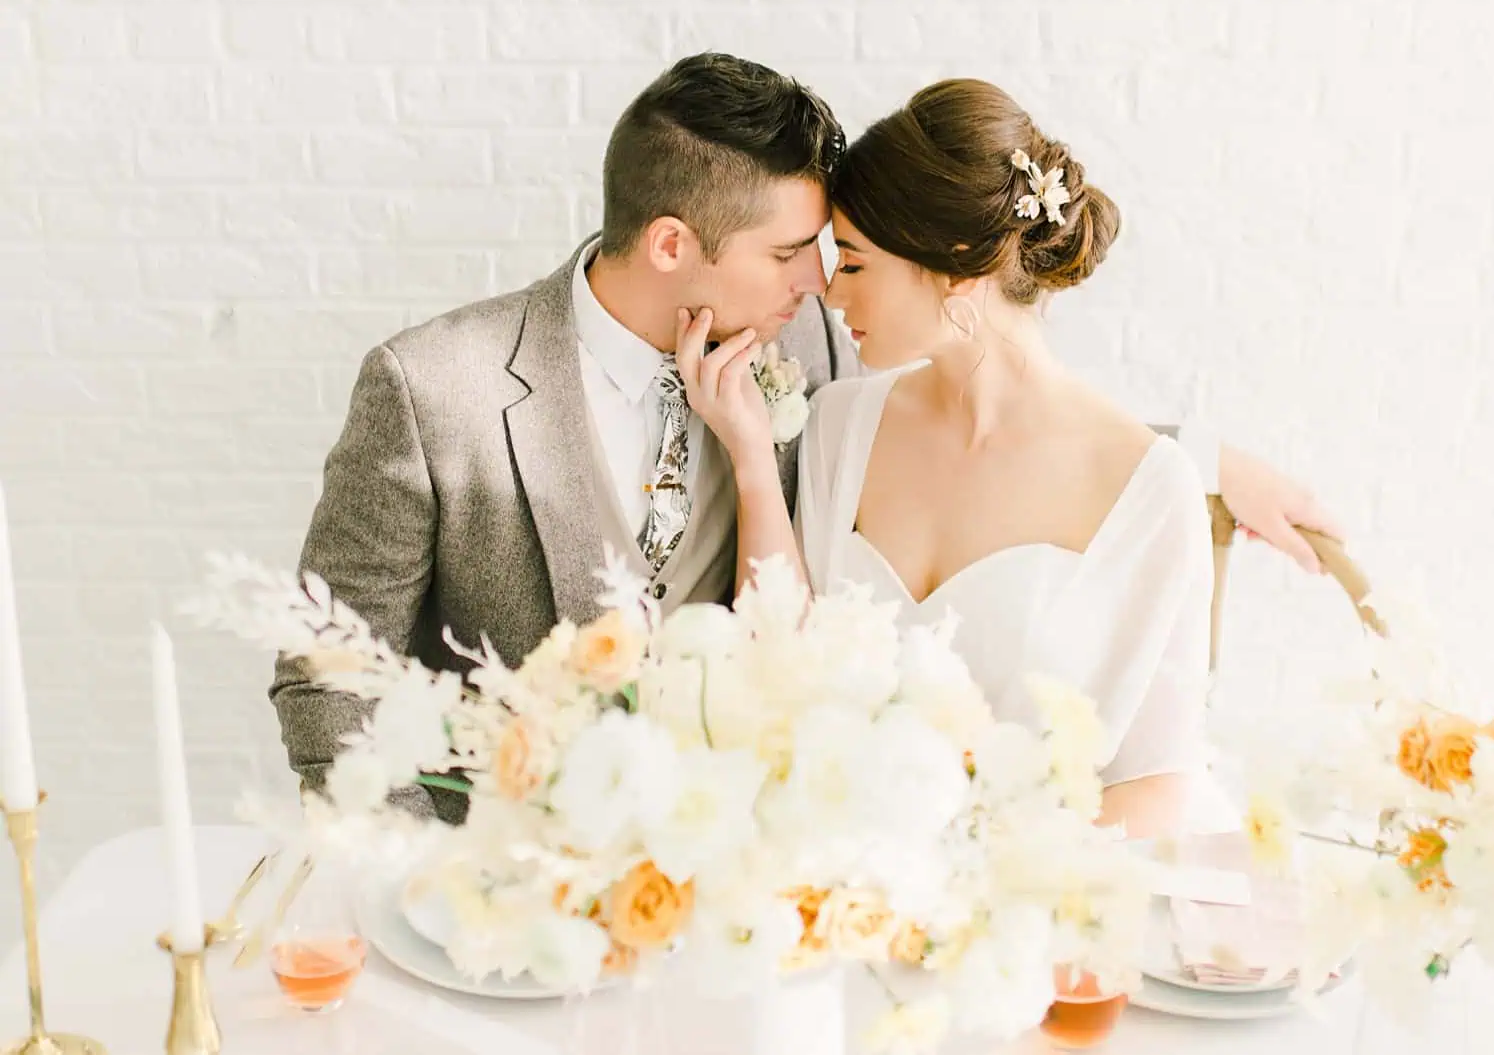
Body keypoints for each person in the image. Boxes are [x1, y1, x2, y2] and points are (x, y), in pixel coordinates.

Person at [274, 54, 1332, 822]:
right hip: (506, 889)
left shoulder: (819, 352)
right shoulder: (430, 390)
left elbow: (996, 418)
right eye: (792, 251)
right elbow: (328, 677)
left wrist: (1205, 460)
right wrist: (418, 884)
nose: (821, 281)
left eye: (836, 256)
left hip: (752, 879)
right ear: (674, 242)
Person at [686, 78, 1258, 837]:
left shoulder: (1148, 490)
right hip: (840, 876)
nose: (827, 292)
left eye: (853, 264)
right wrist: (753, 461)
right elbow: (777, 661)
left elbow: (1158, 780)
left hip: (1034, 902)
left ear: (956, 266)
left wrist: (989, 889)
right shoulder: (840, 423)